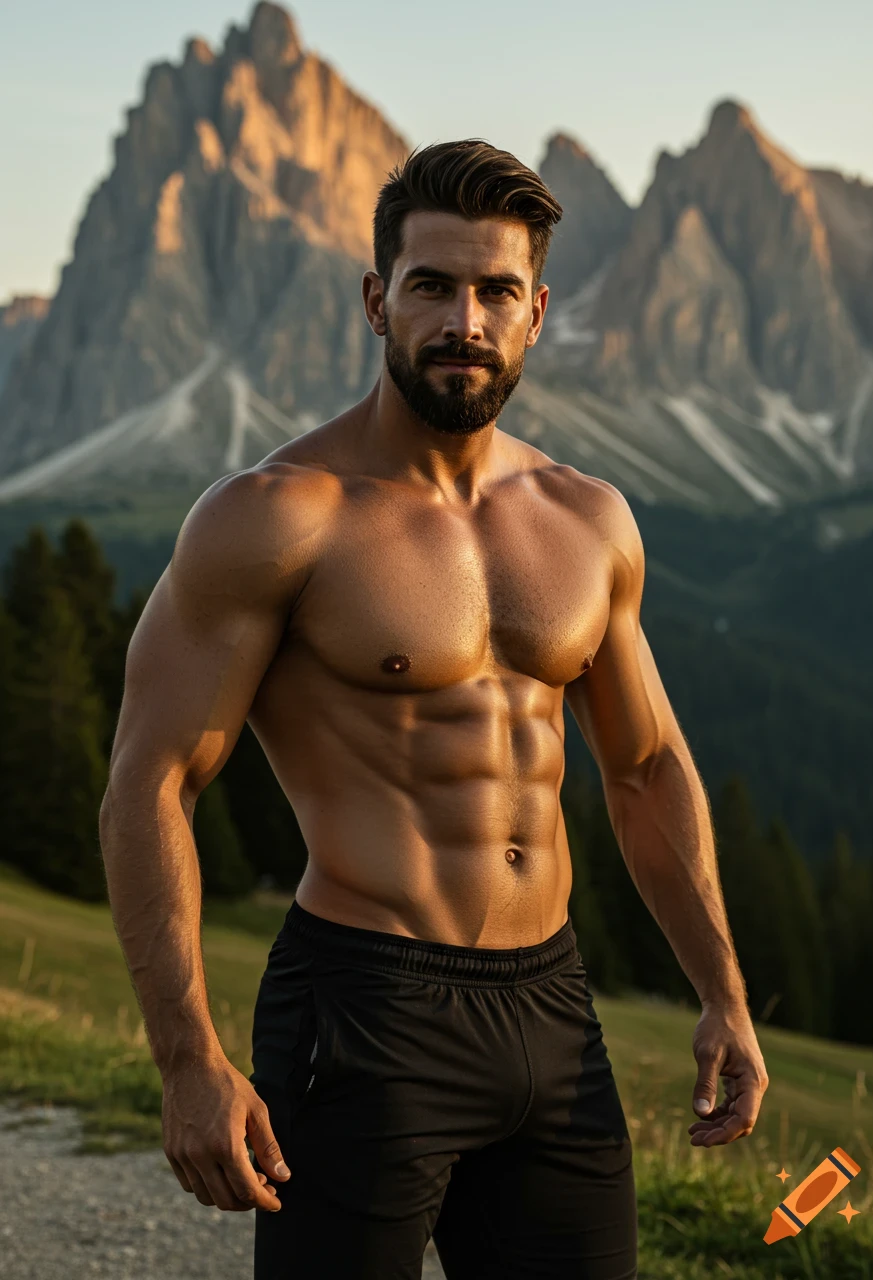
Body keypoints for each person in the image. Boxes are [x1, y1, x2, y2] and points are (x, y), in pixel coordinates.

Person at [100, 139, 768, 1280]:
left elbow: (647, 764)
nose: (463, 318)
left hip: (552, 1006)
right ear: (377, 298)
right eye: (431, 286)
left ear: (536, 310)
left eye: (494, 290)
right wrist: (186, 1059)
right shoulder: (275, 516)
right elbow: (149, 783)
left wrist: (722, 992)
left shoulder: (587, 517)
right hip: (364, 1007)